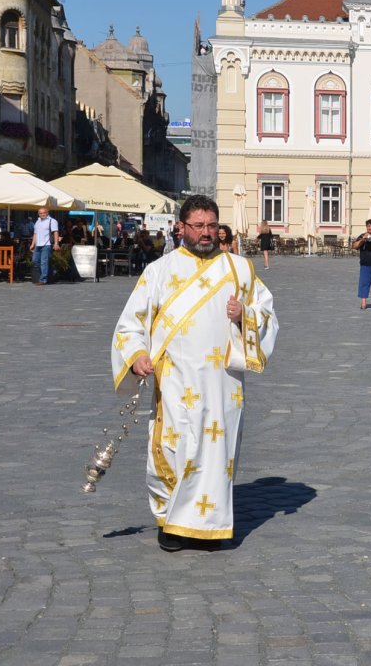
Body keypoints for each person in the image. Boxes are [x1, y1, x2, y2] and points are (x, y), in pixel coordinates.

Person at [110, 194, 278, 552]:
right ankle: (172, 523)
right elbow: (130, 324)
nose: (206, 233)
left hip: (223, 383)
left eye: (212, 226)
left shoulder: (239, 269)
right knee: (175, 448)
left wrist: (244, 315)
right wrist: (137, 355)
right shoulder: (159, 271)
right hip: (175, 379)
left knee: (216, 453)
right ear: (182, 227)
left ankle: (208, 525)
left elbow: (267, 315)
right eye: (198, 226)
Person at [31, 206, 60, 285]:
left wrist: (56, 243)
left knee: (44, 262)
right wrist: (33, 244)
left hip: (47, 244)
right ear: (38, 214)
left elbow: (55, 232)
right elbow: (35, 233)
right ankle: (47, 274)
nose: (42, 214)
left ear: (47, 213)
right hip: (38, 244)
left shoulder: (52, 221)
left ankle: (43, 280)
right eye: (40, 213)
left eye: (44, 213)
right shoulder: (38, 221)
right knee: (35, 261)